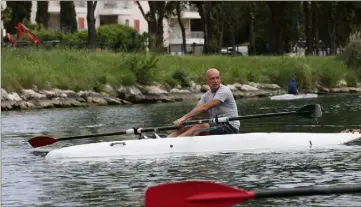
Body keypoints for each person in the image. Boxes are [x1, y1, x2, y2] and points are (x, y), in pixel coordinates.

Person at [168, 68, 240, 137]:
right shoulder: (206, 95)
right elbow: (197, 109)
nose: (216, 81)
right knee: (186, 126)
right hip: (217, 125)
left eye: (217, 78)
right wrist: (183, 121)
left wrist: (183, 118)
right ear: (206, 81)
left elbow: (204, 108)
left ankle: (174, 144)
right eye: (212, 78)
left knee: (200, 126)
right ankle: (167, 140)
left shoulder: (224, 91)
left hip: (230, 127)